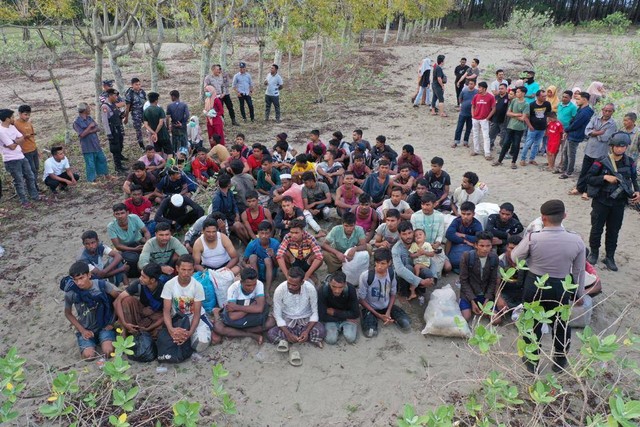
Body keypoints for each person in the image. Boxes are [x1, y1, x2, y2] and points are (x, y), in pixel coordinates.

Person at [511, 200, 586, 373]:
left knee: (532, 322)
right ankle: (559, 360)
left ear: (543, 218)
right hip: (561, 286)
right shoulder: (576, 240)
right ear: (564, 216)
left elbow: (515, 257)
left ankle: (532, 361)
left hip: (535, 284)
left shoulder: (533, 237)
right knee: (560, 323)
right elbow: (579, 271)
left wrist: (530, 260)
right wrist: (578, 293)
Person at [585, 132, 639, 271]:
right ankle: (594, 253)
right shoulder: (601, 161)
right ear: (612, 146)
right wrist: (604, 178)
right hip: (601, 201)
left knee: (614, 231)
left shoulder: (630, 162)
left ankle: (610, 256)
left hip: (619, 203)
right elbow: (589, 178)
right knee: (597, 228)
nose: (620, 149)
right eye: (617, 146)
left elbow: (634, 179)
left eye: (623, 146)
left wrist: (637, 191)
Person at [63, 261, 120, 359]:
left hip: (104, 326)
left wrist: (112, 322)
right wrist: (82, 330)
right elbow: (68, 313)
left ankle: (104, 339)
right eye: (75, 280)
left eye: (81, 278)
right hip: (86, 328)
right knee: (88, 356)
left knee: (108, 352)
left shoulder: (102, 285)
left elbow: (119, 299)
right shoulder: (71, 293)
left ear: (89, 275)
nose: (79, 283)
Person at [161, 254, 212, 352]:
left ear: (193, 270)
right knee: (173, 339)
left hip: (194, 316)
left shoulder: (197, 286)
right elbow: (166, 311)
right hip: (177, 317)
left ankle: (192, 336)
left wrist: (190, 332)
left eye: (189, 270)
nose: (186, 273)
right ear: (177, 268)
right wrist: (171, 330)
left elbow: (197, 314)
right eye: (183, 269)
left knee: (203, 343)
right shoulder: (169, 285)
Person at [267, 267, 326, 354]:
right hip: (288, 321)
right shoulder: (280, 290)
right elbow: (278, 316)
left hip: (305, 320)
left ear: (302, 282)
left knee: (321, 330)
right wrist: (287, 333)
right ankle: (300, 338)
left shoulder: (310, 288)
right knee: (271, 334)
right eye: (288, 283)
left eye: (294, 285)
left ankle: (292, 340)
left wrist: (306, 331)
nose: (290, 287)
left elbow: (314, 313)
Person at [211, 267, 275, 344]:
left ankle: (234, 332)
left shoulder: (259, 284)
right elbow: (232, 316)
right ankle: (251, 334)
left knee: (271, 321)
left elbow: (260, 308)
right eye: (248, 285)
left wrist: (236, 307)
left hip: (246, 318)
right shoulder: (233, 288)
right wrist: (252, 307)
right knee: (218, 328)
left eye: (254, 285)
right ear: (241, 282)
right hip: (239, 319)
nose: (252, 288)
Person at [358, 248, 411, 337]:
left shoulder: (391, 273)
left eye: (383, 263)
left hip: (386, 306)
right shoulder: (366, 276)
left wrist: (389, 311)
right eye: (377, 263)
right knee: (370, 333)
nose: (379, 266)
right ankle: (372, 317)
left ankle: (389, 316)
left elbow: (393, 294)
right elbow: (361, 299)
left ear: (389, 263)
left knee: (406, 324)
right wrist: (378, 315)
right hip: (371, 308)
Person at [572, 103, 618, 198]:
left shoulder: (613, 124)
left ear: (613, 112)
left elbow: (605, 137)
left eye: (610, 111)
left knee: (594, 173)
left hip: (600, 153)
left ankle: (587, 191)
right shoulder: (595, 118)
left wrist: (594, 132)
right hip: (589, 150)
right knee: (584, 170)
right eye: (605, 110)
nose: (607, 112)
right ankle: (579, 188)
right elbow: (587, 131)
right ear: (602, 110)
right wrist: (599, 132)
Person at [0, 108, 41, 208]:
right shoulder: (2, 131)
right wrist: (15, 142)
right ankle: (24, 201)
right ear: (7, 119)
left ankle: (34, 195)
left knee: (30, 176)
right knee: (19, 181)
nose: (14, 118)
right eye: (12, 117)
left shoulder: (12, 127)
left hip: (21, 156)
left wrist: (13, 142)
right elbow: (13, 146)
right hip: (11, 159)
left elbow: (21, 138)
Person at [114, 262, 166, 337]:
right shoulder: (139, 283)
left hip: (156, 316)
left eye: (143, 277)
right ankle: (126, 332)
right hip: (141, 311)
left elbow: (167, 314)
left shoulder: (164, 288)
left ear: (152, 280)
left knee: (161, 329)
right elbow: (117, 300)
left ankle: (145, 333)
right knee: (127, 300)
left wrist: (148, 329)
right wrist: (124, 322)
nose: (140, 278)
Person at [458, 231, 500, 322]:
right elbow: (463, 280)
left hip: (485, 293)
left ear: (491, 245)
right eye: (482, 246)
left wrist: (487, 300)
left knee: (496, 320)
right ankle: (465, 303)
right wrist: (472, 301)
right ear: (476, 245)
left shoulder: (494, 258)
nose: (485, 249)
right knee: (466, 317)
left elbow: (493, 281)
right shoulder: (467, 256)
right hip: (470, 292)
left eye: (488, 246)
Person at [392, 221, 436, 299]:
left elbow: (431, 260)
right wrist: (420, 281)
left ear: (413, 232)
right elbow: (399, 270)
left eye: (409, 233)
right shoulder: (396, 249)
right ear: (400, 235)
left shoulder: (419, 242)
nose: (408, 236)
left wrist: (433, 277)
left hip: (418, 272)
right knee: (408, 267)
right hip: (404, 276)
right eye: (404, 234)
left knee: (427, 271)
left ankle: (420, 290)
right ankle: (404, 293)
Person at [558, 91, 594, 179]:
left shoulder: (585, 112)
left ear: (584, 100)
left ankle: (568, 172)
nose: (576, 101)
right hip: (572, 133)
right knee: (565, 152)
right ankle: (564, 168)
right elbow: (573, 120)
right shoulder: (582, 109)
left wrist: (566, 130)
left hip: (575, 134)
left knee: (571, 154)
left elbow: (576, 124)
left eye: (578, 99)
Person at [492, 86, 530, 169]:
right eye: (517, 92)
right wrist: (517, 114)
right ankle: (499, 160)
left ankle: (513, 162)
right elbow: (508, 113)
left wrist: (513, 115)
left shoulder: (526, 104)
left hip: (519, 128)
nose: (517, 93)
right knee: (506, 144)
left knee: (516, 145)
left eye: (518, 92)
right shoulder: (514, 101)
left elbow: (523, 118)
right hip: (511, 126)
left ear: (523, 93)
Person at [108, 203, 151, 273]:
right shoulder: (111, 226)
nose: (120, 216)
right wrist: (134, 249)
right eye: (117, 214)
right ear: (114, 215)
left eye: (122, 213)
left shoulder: (134, 217)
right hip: (124, 247)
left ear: (127, 213)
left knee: (151, 251)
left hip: (138, 241)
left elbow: (146, 231)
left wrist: (148, 243)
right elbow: (118, 246)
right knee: (134, 258)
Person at [318, 272, 359, 344]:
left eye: (340, 287)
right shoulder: (322, 291)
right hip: (338, 318)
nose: (337, 290)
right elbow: (322, 316)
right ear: (329, 283)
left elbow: (356, 313)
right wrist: (345, 317)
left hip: (335, 316)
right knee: (330, 340)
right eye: (334, 286)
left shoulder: (351, 289)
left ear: (345, 284)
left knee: (350, 338)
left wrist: (334, 312)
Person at [73, 103, 110, 183]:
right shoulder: (76, 122)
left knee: (102, 159)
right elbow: (82, 135)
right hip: (87, 147)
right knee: (90, 164)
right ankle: (92, 180)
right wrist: (90, 127)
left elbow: (97, 128)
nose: (90, 110)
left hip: (96, 144)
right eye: (88, 108)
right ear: (84, 110)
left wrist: (88, 131)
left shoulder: (90, 118)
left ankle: (106, 175)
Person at [446, 201, 483, 271]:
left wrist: (464, 235)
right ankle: (446, 257)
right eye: (463, 214)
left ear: (473, 214)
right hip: (458, 244)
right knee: (449, 240)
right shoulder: (457, 221)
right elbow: (449, 234)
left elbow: (479, 238)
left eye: (468, 214)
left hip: (470, 246)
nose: (465, 216)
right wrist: (465, 241)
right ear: (460, 213)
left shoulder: (477, 224)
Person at [244, 221, 280, 292]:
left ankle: (267, 291)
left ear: (270, 234)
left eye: (267, 233)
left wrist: (273, 256)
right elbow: (243, 261)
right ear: (258, 233)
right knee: (252, 257)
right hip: (256, 272)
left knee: (267, 260)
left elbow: (277, 265)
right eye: (262, 233)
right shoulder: (252, 244)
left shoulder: (275, 244)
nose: (264, 236)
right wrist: (246, 265)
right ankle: (256, 286)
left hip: (270, 272)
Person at [519, 90, 551, 166]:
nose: (545, 97)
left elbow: (549, 115)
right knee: (528, 143)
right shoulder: (531, 105)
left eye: (545, 96)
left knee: (537, 144)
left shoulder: (547, 104)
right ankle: (522, 159)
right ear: (538, 96)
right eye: (543, 96)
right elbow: (526, 117)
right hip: (533, 128)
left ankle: (531, 159)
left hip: (542, 128)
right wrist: (530, 126)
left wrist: (547, 126)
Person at [101, 89, 127, 174]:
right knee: (115, 148)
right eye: (115, 96)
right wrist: (109, 134)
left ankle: (120, 164)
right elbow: (105, 122)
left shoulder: (113, 105)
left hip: (118, 127)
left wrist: (122, 115)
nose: (116, 97)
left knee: (120, 146)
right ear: (110, 96)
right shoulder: (105, 106)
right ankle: (118, 167)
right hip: (113, 130)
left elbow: (116, 115)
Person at [14, 105, 40, 191]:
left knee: (36, 169)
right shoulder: (15, 124)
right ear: (20, 114)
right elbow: (15, 138)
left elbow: (32, 137)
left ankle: (34, 186)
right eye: (25, 114)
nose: (27, 117)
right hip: (25, 151)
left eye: (29, 115)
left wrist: (37, 149)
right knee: (30, 171)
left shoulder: (29, 123)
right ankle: (33, 188)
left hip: (33, 149)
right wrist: (24, 136)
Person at [471, 81, 496, 159]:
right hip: (475, 118)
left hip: (484, 119)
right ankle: (476, 150)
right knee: (475, 134)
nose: (478, 89)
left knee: (486, 136)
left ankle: (487, 153)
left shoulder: (491, 97)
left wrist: (488, 118)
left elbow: (494, 108)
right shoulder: (476, 96)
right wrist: (473, 115)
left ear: (484, 88)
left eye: (480, 87)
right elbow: (473, 106)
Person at [143, 92, 173, 157]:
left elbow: (146, 125)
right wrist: (156, 132)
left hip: (154, 136)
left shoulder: (146, 111)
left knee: (158, 151)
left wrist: (153, 133)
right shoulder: (159, 109)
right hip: (163, 134)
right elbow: (161, 123)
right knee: (169, 152)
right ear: (156, 100)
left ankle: (159, 166)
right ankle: (168, 166)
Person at [408, 228, 434, 300]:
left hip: (425, 264)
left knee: (417, 266)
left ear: (425, 237)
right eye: (416, 235)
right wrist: (417, 254)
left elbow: (432, 254)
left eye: (420, 234)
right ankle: (413, 292)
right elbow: (411, 255)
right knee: (415, 267)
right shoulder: (413, 245)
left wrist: (424, 253)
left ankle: (415, 283)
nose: (418, 236)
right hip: (416, 264)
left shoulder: (427, 244)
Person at [452, 79, 477, 148]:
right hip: (463, 112)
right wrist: (462, 105)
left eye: (472, 84)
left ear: (475, 85)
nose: (470, 85)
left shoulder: (476, 92)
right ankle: (456, 141)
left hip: (471, 113)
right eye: (469, 83)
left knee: (468, 128)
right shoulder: (464, 90)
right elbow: (460, 98)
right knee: (459, 127)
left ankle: (466, 141)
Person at [124, 77, 147, 149]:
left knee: (149, 126)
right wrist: (126, 117)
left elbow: (145, 102)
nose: (138, 86)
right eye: (136, 84)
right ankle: (141, 145)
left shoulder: (142, 92)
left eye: (139, 84)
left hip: (144, 113)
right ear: (132, 85)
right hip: (136, 114)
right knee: (138, 130)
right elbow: (127, 107)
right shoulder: (129, 94)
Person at [489, 83, 510, 148]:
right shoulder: (496, 97)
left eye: (502, 89)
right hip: (495, 119)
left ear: (506, 89)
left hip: (504, 121)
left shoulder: (508, 98)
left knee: (503, 135)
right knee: (491, 134)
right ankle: (490, 145)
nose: (500, 90)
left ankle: (502, 147)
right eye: (499, 89)